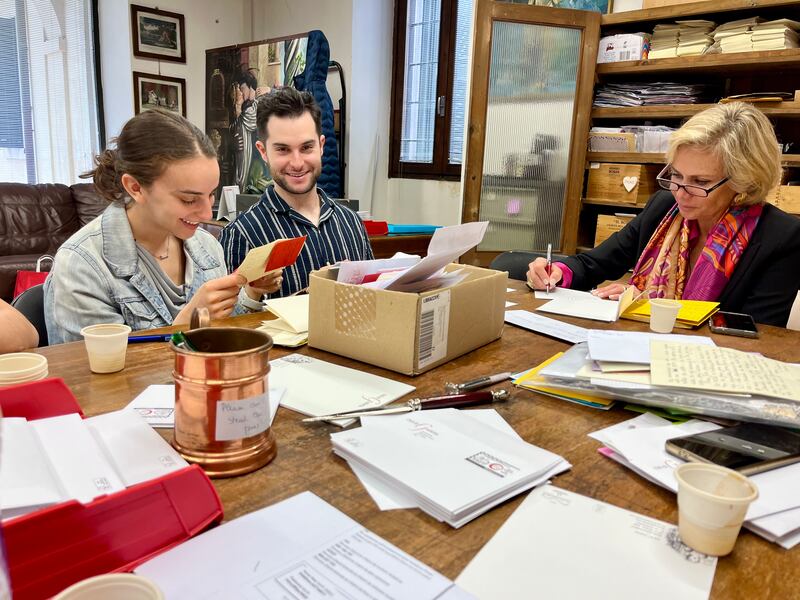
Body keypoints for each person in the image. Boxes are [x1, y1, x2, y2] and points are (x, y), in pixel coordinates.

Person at [527, 102, 800, 327]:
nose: (681, 192)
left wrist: (647, 306)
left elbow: (756, 329)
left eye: (700, 182)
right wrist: (558, 272)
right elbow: (592, 264)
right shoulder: (664, 208)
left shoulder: (781, 236)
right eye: (676, 175)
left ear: (744, 181)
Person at [44, 109, 279, 345]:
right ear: (135, 187)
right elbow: (95, 373)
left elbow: (223, 336)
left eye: (211, 195)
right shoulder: (82, 265)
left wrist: (251, 292)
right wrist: (185, 325)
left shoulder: (207, 247)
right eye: (188, 199)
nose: (207, 213)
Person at [220, 87, 373, 298]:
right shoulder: (241, 234)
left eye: (306, 147)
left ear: (320, 146)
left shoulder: (351, 223)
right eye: (282, 149)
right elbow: (226, 325)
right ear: (263, 151)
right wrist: (252, 293)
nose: (297, 163)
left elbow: (372, 299)